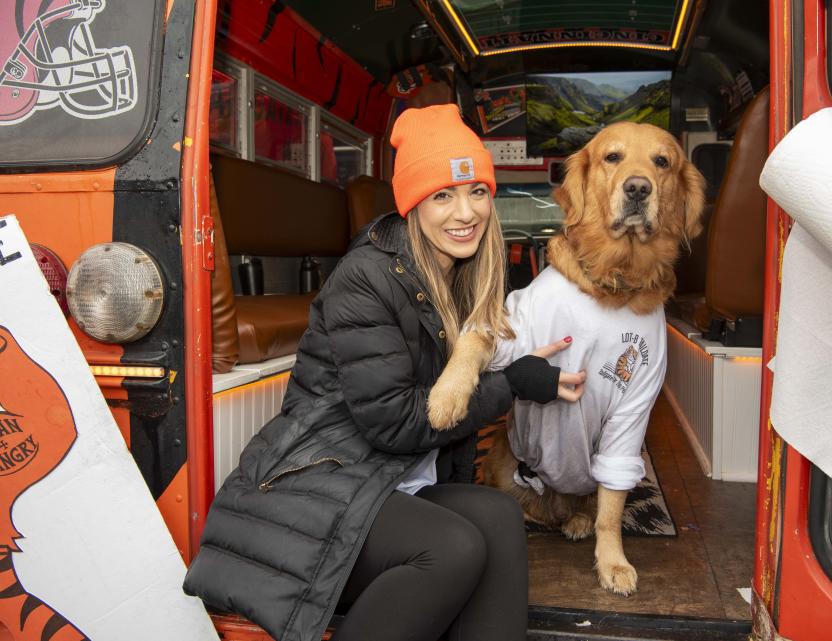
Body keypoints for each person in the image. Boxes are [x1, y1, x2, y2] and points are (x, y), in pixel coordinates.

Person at [183, 103, 586, 641]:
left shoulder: (468, 276)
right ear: (413, 204)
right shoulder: (367, 278)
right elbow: (394, 424)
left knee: (499, 518)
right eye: (442, 195)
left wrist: (531, 372)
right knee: (451, 547)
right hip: (317, 479)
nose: (465, 212)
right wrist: (510, 387)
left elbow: (475, 375)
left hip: (390, 478)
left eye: (477, 192)